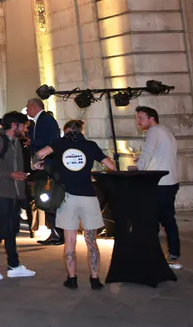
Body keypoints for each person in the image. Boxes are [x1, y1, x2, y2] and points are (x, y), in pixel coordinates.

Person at [34, 119, 115, 289]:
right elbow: (111, 166)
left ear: (68, 130)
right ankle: (95, 279)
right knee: (91, 241)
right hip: (88, 196)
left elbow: (39, 154)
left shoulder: (59, 143)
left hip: (67, 197)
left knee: (70, 240)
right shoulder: (91, 145)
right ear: (80, 130)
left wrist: (40, 164)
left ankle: (72, 278)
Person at [0, 112, 36, 281]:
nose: (25, 129)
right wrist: (9, 174)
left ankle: (14, 265)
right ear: (14, 126)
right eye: (23, 125)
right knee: (3, 228)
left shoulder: (15, 141)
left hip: (14, 193)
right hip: (1, 192)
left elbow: (16, 165)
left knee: (11, 229)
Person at [132, 106, 181, 269]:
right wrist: (142, 161)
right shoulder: (166, 132)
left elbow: (148, 151)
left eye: (141, 118)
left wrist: (138, 166)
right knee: (168, 221)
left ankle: (152, 256)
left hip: (159, 184)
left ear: (151, 118)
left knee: (150, 220)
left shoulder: (153, 132)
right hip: (171, 181)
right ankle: (173, 255)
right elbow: (160, 154)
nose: (138, 122)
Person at [27, 97, 63, 246]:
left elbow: (52, 141)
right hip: (43, 164)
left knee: (49, 198)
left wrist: (32, 142)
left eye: (28, 107)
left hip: (49, 166)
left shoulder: (46, 120)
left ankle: (57, 233)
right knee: (45, 199)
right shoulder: (38, 121)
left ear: (34, 107)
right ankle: (54, 232)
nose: (27, 110)